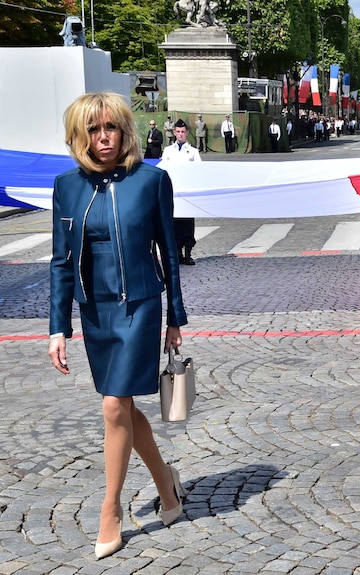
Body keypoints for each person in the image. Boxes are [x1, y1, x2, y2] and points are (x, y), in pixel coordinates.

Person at [48, 92, 189, 559]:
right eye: (92, 129)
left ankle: (109, 509)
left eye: (110, 127)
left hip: (140, 306)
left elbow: (170, 252)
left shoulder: (151, 180)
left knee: (114, 405)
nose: (102, 137)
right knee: (123, 408)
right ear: (79, 135)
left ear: (125, 130)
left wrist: (175, 317)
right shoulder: (66, 185)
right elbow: (60, 262)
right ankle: (166, 484)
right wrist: (57, 327)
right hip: (95, 311)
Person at [161, 118, 201, 265]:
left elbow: (199, 170)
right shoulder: (168, 151)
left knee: (188, 224)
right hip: (173, 192)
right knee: (174, 223)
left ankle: (188, 253)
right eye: (178, 132)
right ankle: (177, 254)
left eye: (183, 132)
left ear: (187, 133)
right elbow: (163, 169)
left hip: (187, 192)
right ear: (174, 133)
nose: (180, 134)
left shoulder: (193, 152)